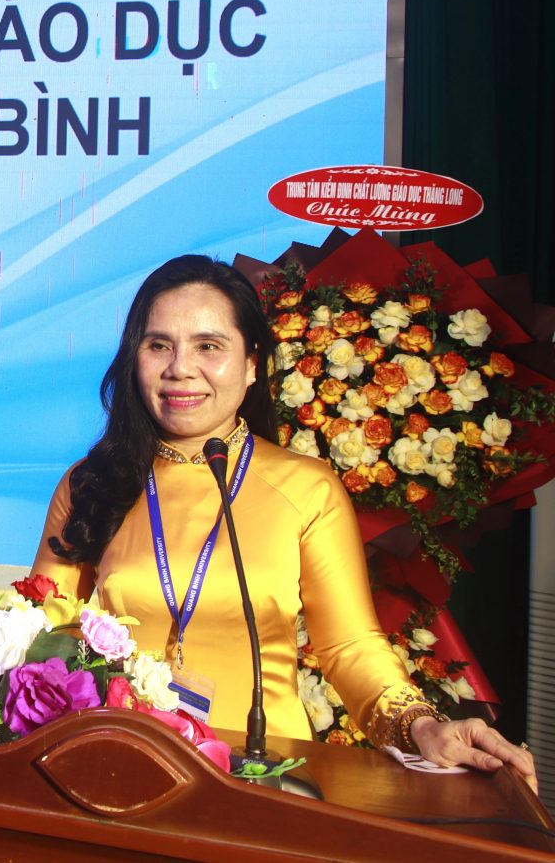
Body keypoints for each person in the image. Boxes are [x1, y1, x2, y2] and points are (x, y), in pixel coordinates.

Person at [30, 254, 537, 790]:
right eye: (158, 345)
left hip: (264, 779)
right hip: (119, 771)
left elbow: (349, 646)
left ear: (252, 364)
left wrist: (422, 725)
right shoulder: (91, 484)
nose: (180, 368)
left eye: (208, 346)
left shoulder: (307, 489)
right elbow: (42, 634)